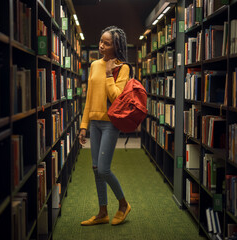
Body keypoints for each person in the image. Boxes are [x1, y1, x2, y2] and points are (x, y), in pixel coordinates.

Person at [79, 26, 132, 226]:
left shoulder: (123, 67)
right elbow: (89, 98)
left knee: (103, 169)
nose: (101, 46)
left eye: (106, 43)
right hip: (94, 123)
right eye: (100, 41)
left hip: (111, 124)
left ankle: (123, 204)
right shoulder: (93, 65)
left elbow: (117, 98)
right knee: (95, 168)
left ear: (116, 45)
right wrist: (84, 125)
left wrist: (110, 74)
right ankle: (102, 212)